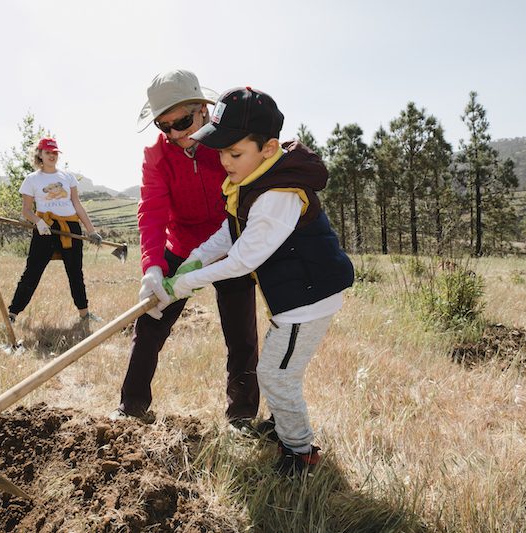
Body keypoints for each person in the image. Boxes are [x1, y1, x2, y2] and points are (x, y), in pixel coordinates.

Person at [164, 86, 354, 476]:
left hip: (309, 299)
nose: (225, 162)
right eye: (220, 152)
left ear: (268, 148)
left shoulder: (277, 194)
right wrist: (195, 257)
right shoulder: (253, 179)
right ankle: (286, 426)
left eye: (234, 153)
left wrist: (187, 283)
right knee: (275, 367)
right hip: (292, 298)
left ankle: (300, 452)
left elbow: (242, 259)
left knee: (276, 374)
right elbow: (231, 229)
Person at [111, 70, 260, 433]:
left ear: (204, 109)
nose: (175, 134)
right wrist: (153, 266)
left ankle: (240, 417)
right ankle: (132, 408)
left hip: (230, 247)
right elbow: (152, 211)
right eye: (165, 127)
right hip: (181, 248)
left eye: (182, 121)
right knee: (150, 326)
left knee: (241, 335)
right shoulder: (156, 156)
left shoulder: (230, 143)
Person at [7, 137, 103, 323]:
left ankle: (84, 314)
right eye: (47, 152)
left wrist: (90, 230)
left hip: (70, 227)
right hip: (45, 228)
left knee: (75, 271)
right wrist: (38, 222)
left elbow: (77, 204)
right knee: (32, 271)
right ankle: (12, 314)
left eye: (54, 153)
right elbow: (26, 210)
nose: (52, 156)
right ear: (40, 154)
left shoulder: (67, 177)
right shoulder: (32, 179)